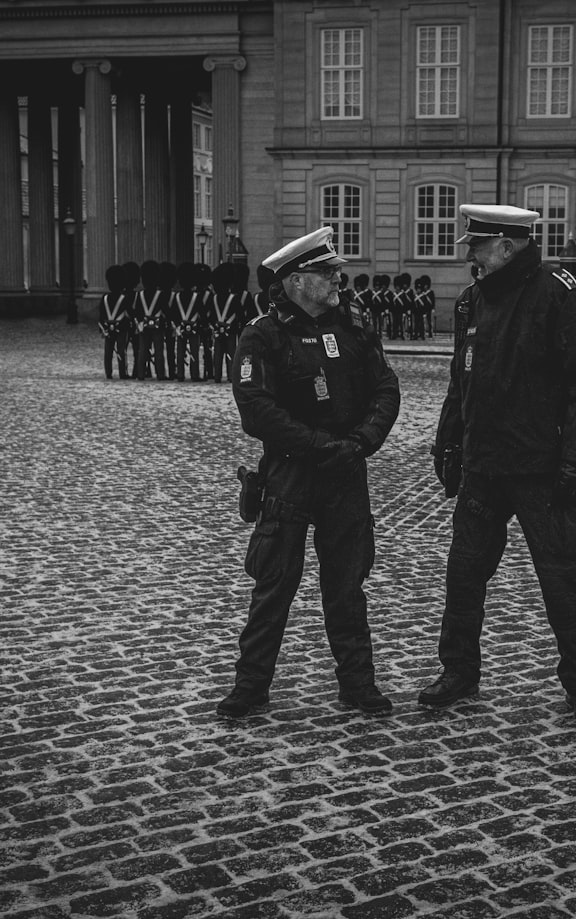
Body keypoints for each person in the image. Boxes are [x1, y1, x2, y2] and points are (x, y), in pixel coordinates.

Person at [418, 204, 576, 725]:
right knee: (463, 576)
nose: (469, 256)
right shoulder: (471, 302)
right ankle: (459, 671)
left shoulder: (560, 292)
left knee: (562, 581)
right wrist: (449, 445)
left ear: (507, 247)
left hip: (543, 470)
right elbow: (462, 382)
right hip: (485, 467)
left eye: (476, 247)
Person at [217, 227, 401, 719]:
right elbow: (256, 410)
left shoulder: (355, 328)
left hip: (346, 473)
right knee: (275, 585)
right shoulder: (263, 335)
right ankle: (251, 686)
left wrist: (362, 441)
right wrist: (321, 445)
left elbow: (386, 389)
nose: (339, 278)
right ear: (297, 281)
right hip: (291, 474)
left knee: (347, 586)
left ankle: (358, 684)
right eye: (327, 272)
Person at [97, 264, 130, 379]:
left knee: (108, 352)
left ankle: (108, 373)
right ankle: (122, 373)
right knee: (121, 351)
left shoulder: (105, 298)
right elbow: (129, 313)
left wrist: (102, 329)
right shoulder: (124, 298)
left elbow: (101, 315)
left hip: (107, 326)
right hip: (121, 327)